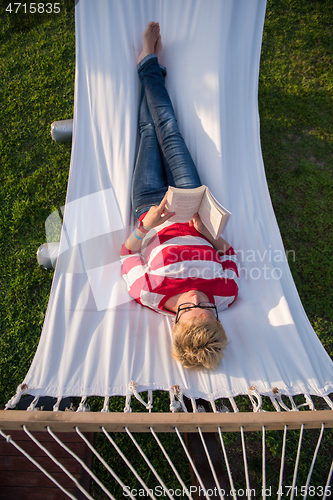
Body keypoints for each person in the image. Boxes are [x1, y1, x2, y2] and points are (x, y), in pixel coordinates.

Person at [120, 22, 239, 370]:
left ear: (175, 322)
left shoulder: (149, 293)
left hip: (149, 207)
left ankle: (152, 67)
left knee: (147, 132)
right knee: (170, 133)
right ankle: (150, 65)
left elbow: (128, 251)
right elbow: (227, 252)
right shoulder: (227, 295)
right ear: (217, 317)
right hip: (191, 204)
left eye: (189, 309)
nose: (197, 298)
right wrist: (206, 235)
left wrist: (147, 225)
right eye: (208, 308)